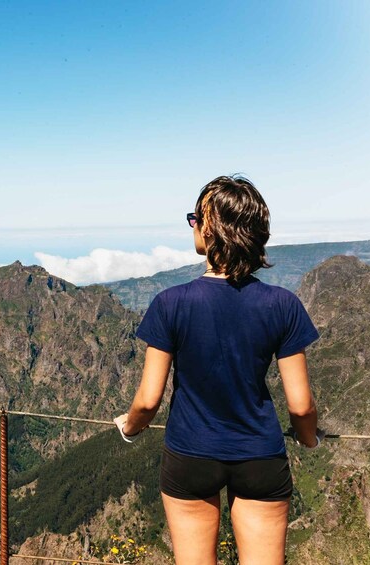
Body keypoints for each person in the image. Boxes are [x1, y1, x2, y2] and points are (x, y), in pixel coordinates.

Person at [113, 175, 322, 565]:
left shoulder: (170, 303)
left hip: (190, 454)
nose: (192, 225)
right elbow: (300, 406)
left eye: (195, 218)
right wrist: (309, 439)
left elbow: (147, 400)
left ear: (211, 227)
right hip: (261, 454)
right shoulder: (282, 305)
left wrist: (129, 427)